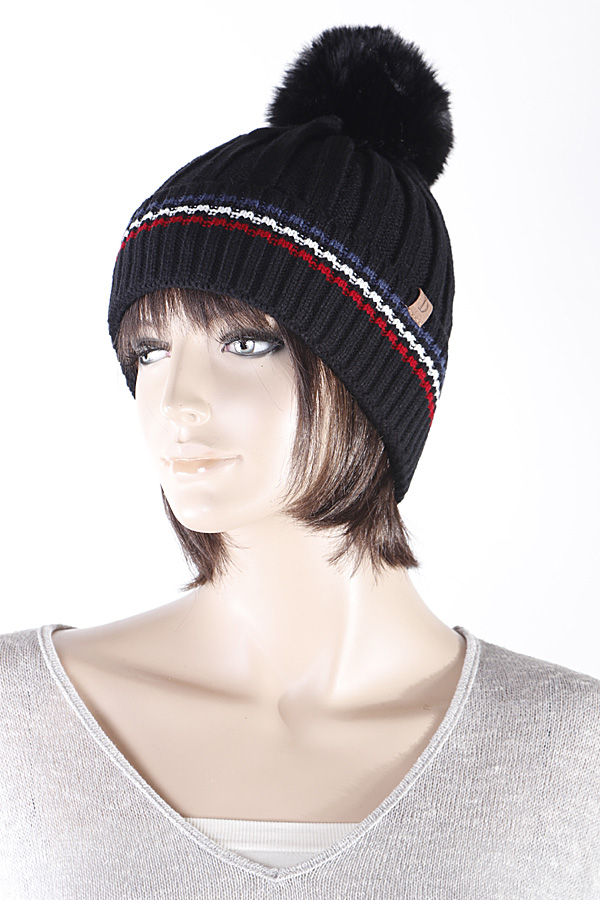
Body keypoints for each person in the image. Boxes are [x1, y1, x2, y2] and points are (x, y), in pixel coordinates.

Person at [1, 24, 598, 899]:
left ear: (375, 383)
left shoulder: (572, 758)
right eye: (150, 350)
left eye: (246, 342)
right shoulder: (18, 721)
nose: (175, 399)